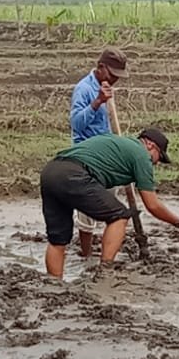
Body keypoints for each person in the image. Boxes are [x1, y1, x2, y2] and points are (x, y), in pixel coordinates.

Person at [39, 128, 179, 278]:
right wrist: (178, 222)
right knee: (119, 216)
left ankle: (54, 283)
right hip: (75, 174)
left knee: (57, 240)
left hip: (51, 172)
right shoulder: (141, 155)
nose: (156, 163)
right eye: (159, 157)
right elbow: (152, 205)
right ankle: (105, 271)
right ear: (150, 145)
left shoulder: (122, 144)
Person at [68, 49, 128, 257]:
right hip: (87, 157)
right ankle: (86, 254)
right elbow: (76, 124)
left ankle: (105, 249)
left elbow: (108, 126)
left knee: (110, 203)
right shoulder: (84, 89)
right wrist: (97, 102)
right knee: (86, 209)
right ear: (101, 68)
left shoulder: (106, 88)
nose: (115, 80)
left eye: (118, 77)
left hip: (106, 156)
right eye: (112, 75)